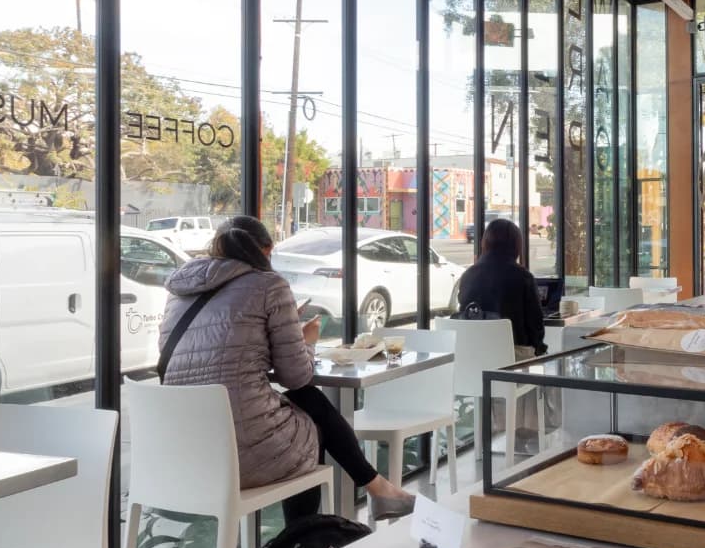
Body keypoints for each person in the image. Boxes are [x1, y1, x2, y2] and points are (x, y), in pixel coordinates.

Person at [160, 215, 417, 523]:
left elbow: (220, 351)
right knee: (310, 418)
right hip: (238, 453)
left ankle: (378, 490)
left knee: (303, 406)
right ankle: (300, 547)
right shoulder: (268, 285)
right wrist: (304, 339)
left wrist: (278, 329)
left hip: (183, 452)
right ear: (266, 250)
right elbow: (296, 377)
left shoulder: (180, 291)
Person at [454, 217, 546, 356]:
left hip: (471, 354)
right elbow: (536, 327)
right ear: (516, 245)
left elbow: (464, 314)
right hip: (512, 356)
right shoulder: (523, 277)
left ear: (485, 242)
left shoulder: (468, 275)